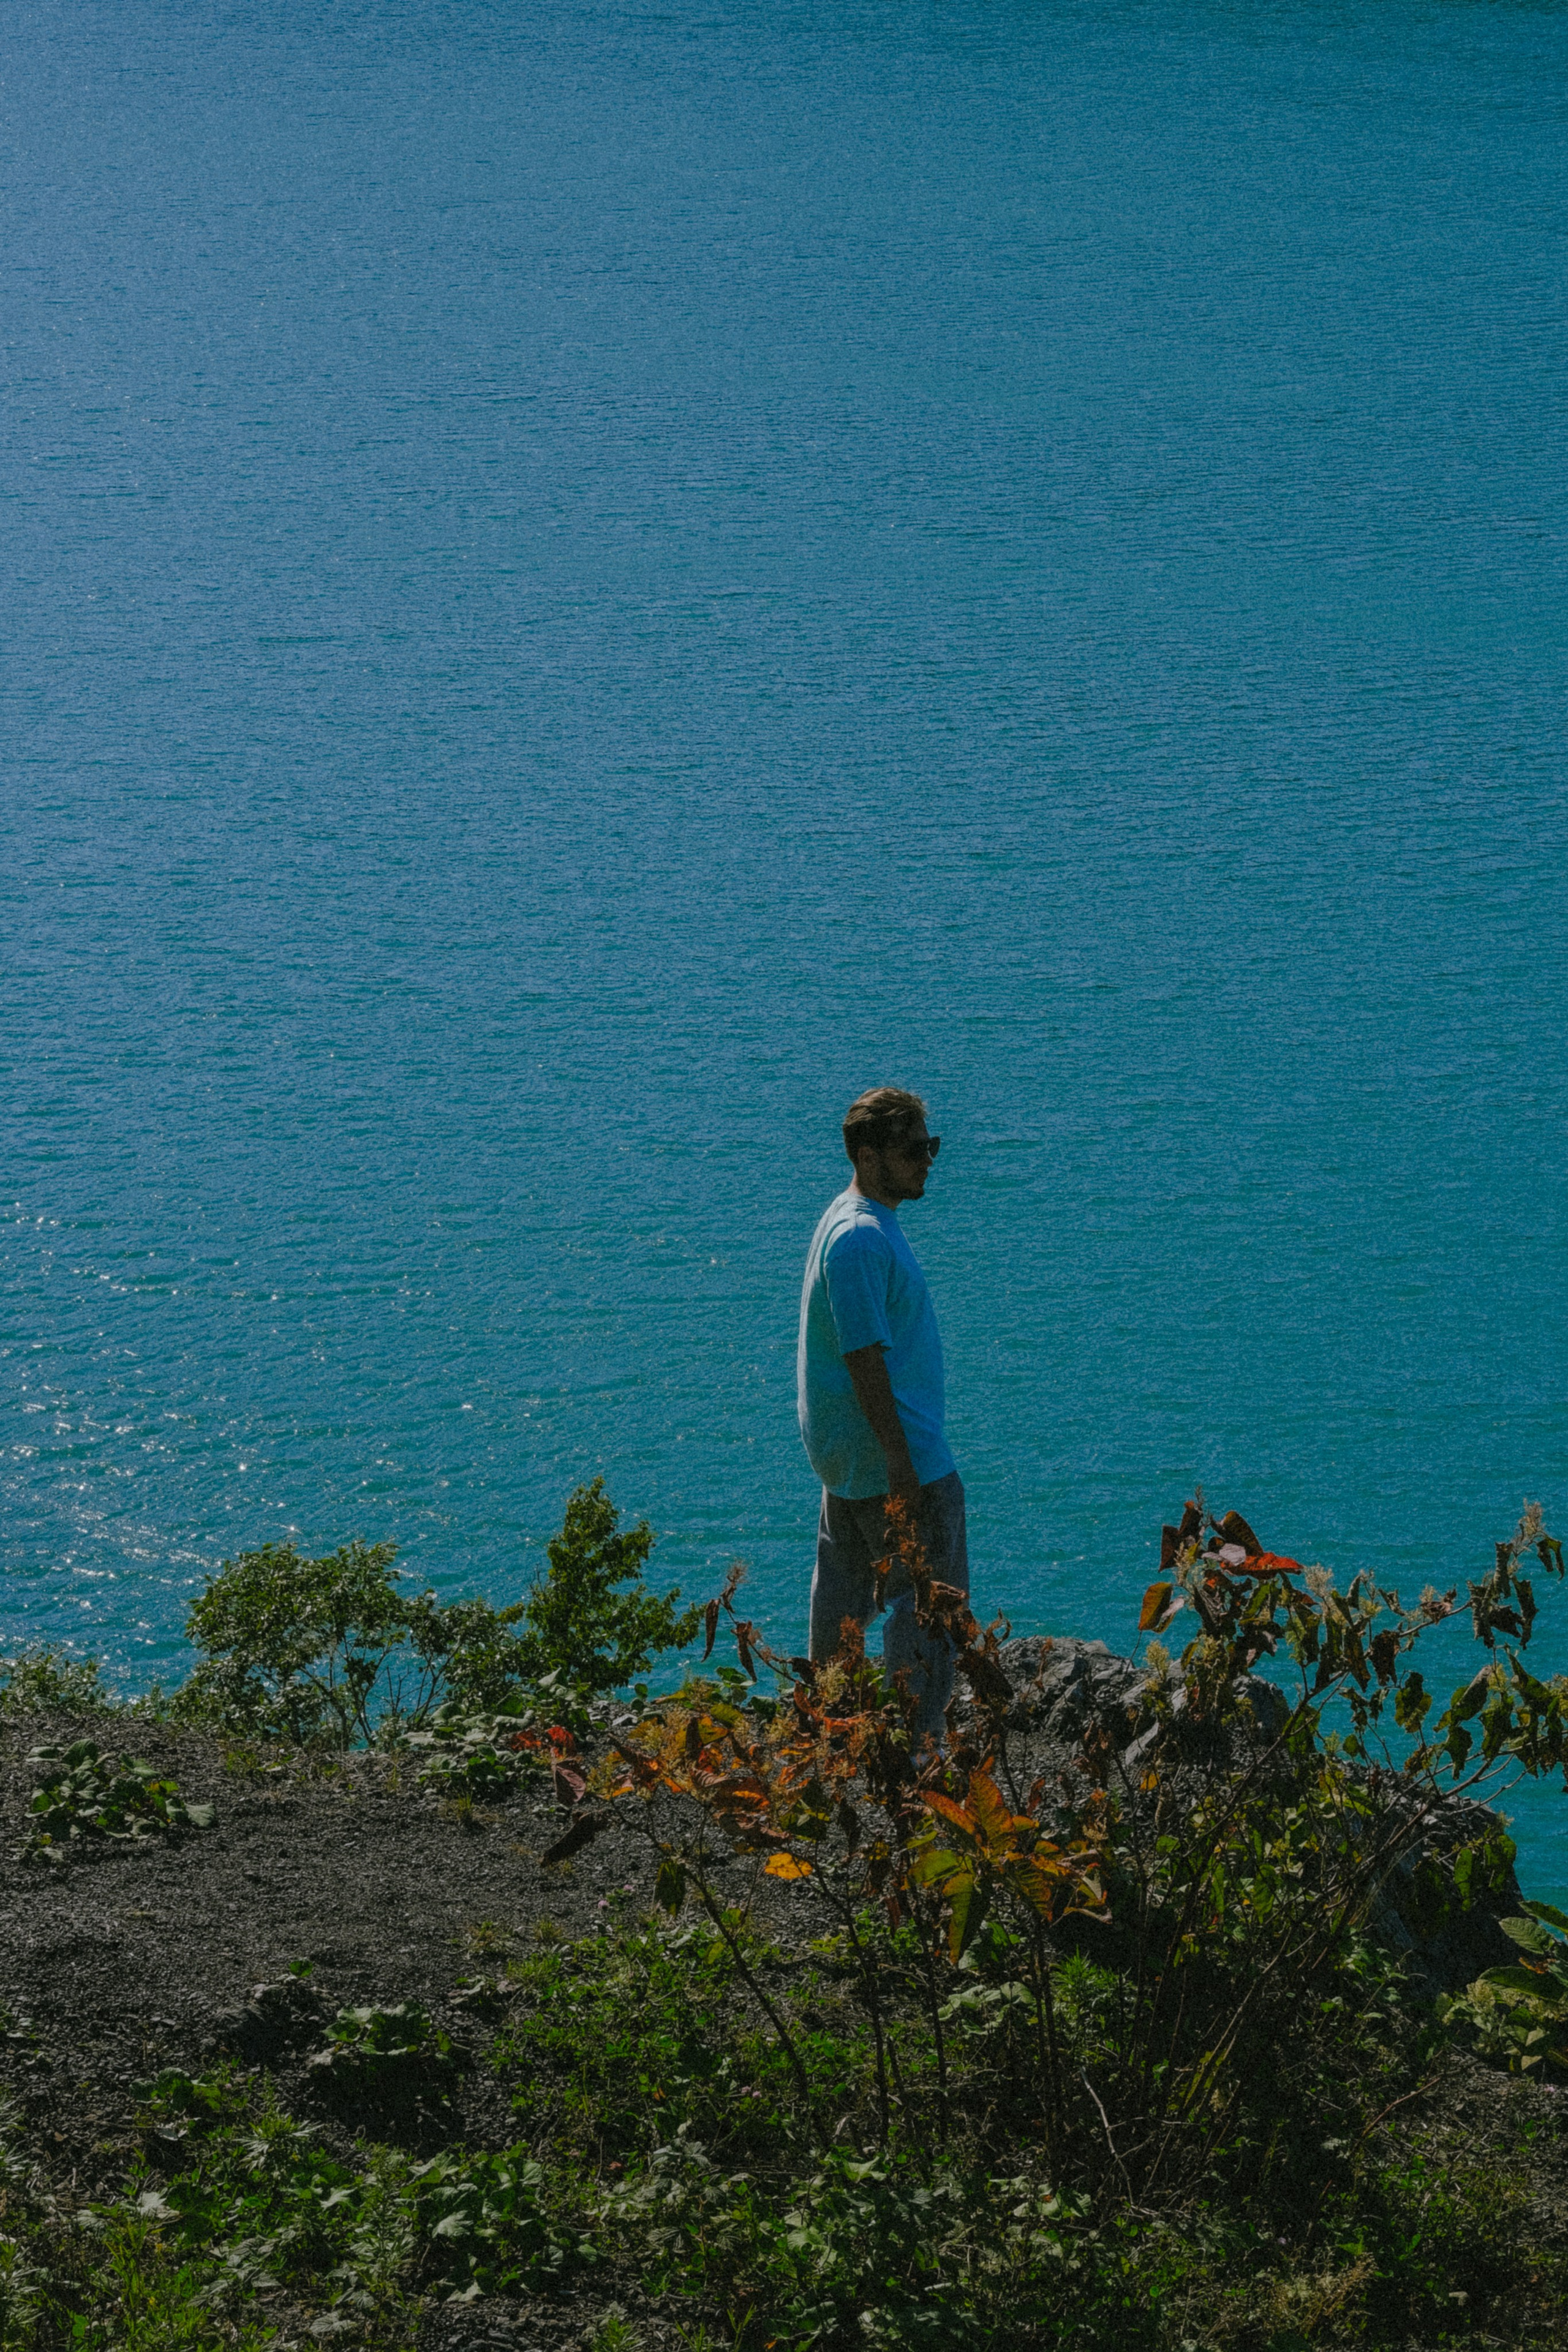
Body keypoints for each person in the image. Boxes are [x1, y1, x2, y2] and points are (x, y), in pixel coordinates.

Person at [796, 1086, 968, 1735]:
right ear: (868, 1157)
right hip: (897, 1456)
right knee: (927, 1602)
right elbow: (863, 1355)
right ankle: (921, 1746)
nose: (928, 1160)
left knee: (842, 1603)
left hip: (849, 1459)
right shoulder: (861, 1239)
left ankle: (831, 1731)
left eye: (931, 1145)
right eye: (913, 1149)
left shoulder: (849, 1221)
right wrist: (901, 1462)